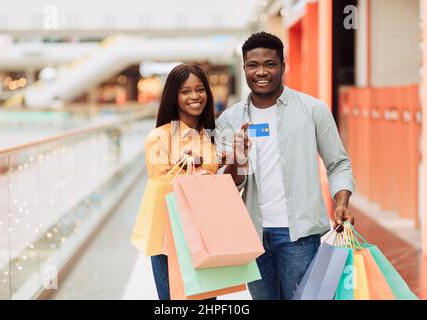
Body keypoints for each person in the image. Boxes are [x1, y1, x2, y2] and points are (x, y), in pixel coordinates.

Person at [214, 32, 355, 300]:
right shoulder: (229, 120)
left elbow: (338, 163)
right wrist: (236, 158)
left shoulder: (313, 110)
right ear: (244, 68)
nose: (261, 72)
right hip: (252, 236)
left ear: (282, 66)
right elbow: (228, 185)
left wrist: (342, 202)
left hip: (300, 236)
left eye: (270, 64)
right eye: (253, 65)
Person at [144, 64, 218, 300]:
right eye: (186, 91)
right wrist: (188, 168)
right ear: (173, 97)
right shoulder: (160, 137)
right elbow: (161, 186)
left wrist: (235, 161)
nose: (195, 97)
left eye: (200, 89)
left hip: (207, 237)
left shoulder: (210, 136)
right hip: (171, 242)